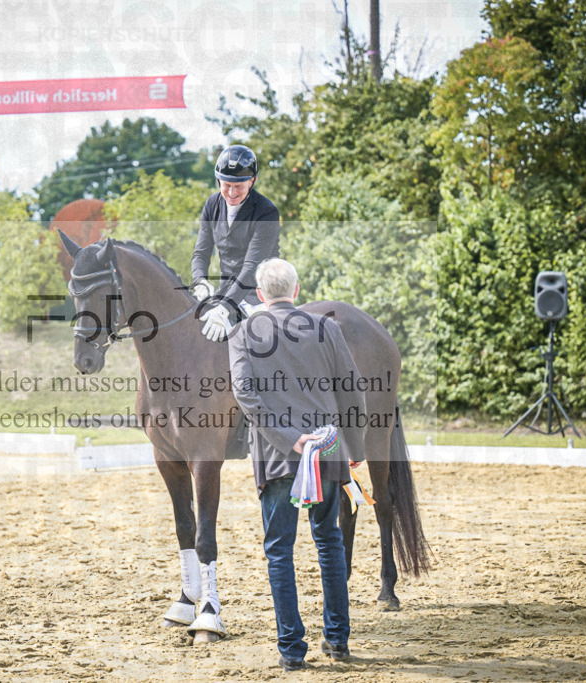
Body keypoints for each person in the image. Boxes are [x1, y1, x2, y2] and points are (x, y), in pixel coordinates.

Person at [227, 259, 367, 671]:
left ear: (259, 296)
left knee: (279, 551)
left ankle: (291, 651)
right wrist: (353, 447)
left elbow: (246, 397)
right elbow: (352, 391)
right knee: (330, 541)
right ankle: (338, 639)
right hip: (328, 450)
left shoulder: (242, 333)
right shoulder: (328, 328)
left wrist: (290, 439)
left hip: (276, 457)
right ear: (297, 289)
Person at [192, 144, 281, 342]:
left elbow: (251, 268)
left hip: (260, 294)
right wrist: (201, 281)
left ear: (252, 181)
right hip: (225, 291)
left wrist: (224, 307)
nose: (231, 192)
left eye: (238, 186)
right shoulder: (212, 204)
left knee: (265, 347)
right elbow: (201, 253)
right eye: (226, 185)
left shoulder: (266, 212)